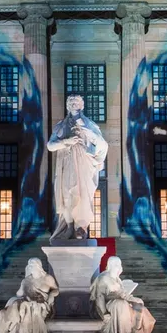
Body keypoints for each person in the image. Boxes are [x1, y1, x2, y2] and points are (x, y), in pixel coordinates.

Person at [46, 95, 108, 240]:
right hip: (67, 164)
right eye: (71, 102)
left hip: (83, 163)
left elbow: (102, 144)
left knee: (83, 195)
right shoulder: (61, 126)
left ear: (82, 105)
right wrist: (66, 142)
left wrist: (91, 147)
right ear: (67, 106)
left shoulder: (90, 124)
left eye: (77, 102)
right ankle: (69, 227)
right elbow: (50, 146)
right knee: (67, 195)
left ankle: (81, 228)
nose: (74, 104)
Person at [0, 258, 59, 333]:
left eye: (33, 265)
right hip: (27, 301)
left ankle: (14, 330)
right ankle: (10, 330)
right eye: (29, 265)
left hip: (42, 303)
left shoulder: (48, 278)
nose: (30, 267)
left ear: (39, 266)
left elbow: (56, 290)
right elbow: (19, 294)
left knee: (24, 307)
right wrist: (24, 287)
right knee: (16, 305)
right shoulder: (26, 280)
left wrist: (51, 295)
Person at [90, 256, 156, 333]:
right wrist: (104, 313)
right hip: (108, 304)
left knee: (139, 305)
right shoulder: (104, 278)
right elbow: (100, 297)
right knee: (121, 304)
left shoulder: (117, 279)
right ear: (110, 265)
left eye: (119, 265)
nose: (119, 267)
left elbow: (122, 293)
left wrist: (133, 299)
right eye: (116, 265)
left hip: (120, 300)